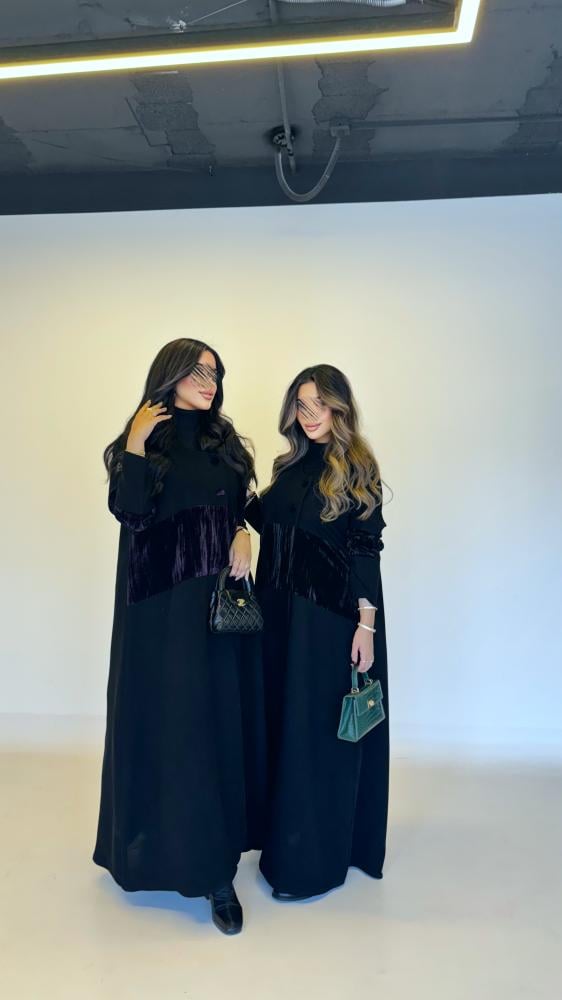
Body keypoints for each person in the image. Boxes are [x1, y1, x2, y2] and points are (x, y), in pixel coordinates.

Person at [93, 338, 266, 935]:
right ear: (169, 376)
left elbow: (238, 507)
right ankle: (152, 852)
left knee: (211, 734)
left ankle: (216, 873)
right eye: (196, 371)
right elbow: (132, 513)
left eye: (214, 373)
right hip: (158, 616)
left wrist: (242, 531)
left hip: (215, 615)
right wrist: (136, 443)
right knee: (167, 731)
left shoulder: (224, 443)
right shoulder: (144, 440)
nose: (208, 381)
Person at [245, 364, 388, 900]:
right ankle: (280, 841)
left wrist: (366, 625)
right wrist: (234, 511)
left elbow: (365, 550)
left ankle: (310, 863)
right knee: (283, 728)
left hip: (327, 623)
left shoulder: (357, 469)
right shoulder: (290, 467)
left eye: (320, 406)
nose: (309, 416)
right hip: (278, 618)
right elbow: (268, 521)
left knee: (316, 736)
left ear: (339, 409)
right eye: (301, 406)